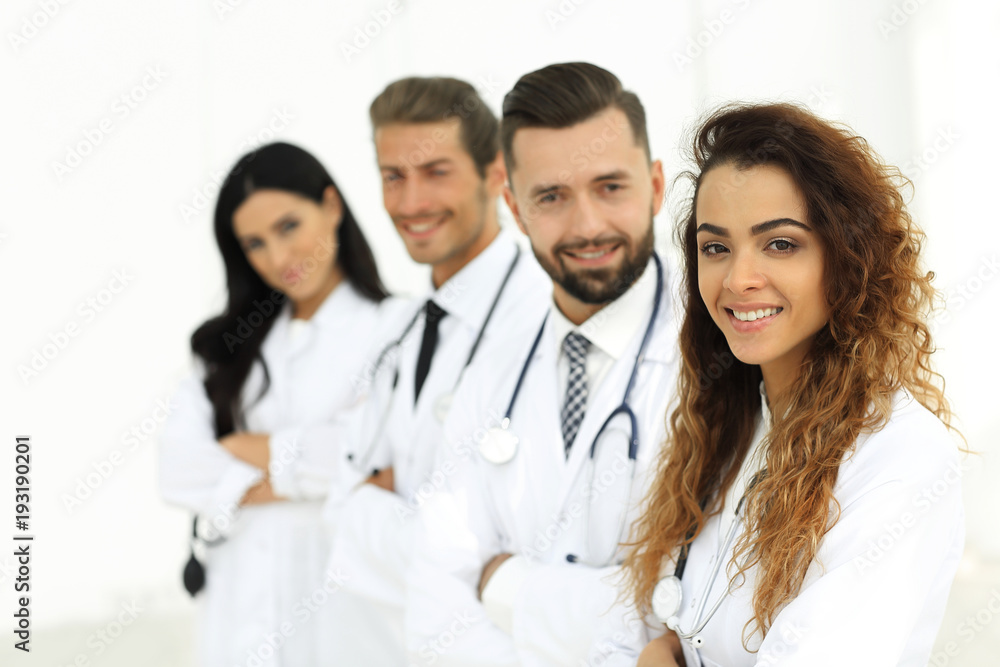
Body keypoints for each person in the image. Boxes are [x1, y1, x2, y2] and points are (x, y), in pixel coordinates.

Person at [619, 103, 965, 666]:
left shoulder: (900, 455)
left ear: (847, 256)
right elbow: (632, 631)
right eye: (716, 247)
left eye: (780, 243)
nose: (738, 279)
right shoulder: (722, 430)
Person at [404, 62, 679, 666]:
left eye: (611, 186)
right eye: (551, 196)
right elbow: (433, 602)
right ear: (515, 206)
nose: (587, 226)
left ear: (656, 186)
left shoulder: (721, 359)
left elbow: (697, 611)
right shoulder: (491, 371)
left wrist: (506, 586)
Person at [318, 76, 551, 664]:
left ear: (496, 174)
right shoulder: (404, 326)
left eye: (436, 172)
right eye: (393, 176)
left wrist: (368, 509)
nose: (411, 202)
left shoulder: (540, 318)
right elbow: (338, 501)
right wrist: (374, 512)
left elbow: (501, 554)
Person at [158, 142, 392, 666]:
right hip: (235, 617)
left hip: (351, 626)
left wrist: (243, 452)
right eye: (255, 243)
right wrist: (314, 473)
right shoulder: (224, 348)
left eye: (289, 226)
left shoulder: (396, 329)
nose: (278, 258)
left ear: (331, 206)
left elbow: (380, 461)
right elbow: (176, 468)